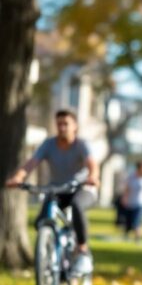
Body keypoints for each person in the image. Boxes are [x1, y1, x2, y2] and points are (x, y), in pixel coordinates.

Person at [5, 109, 99, 273]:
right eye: (59, 124)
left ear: (74, 126)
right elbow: (32, 163)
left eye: (66, 124)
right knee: (41, 221)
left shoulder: (81, 144)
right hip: (57, 189)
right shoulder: (49, 144)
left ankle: (82, 251)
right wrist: (18, 177)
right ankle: (54, 256)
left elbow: (92, 164)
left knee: (77, 206)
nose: (62, 127)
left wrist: (93, 177)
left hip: (82, 188)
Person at [120, 161, 142, 242]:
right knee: (128, 221)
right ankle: (126, 236)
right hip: (130, 202)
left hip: (141, 203)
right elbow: (127, 189)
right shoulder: (131, 177)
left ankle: (137, 239)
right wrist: (124, 198)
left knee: (137, 222)